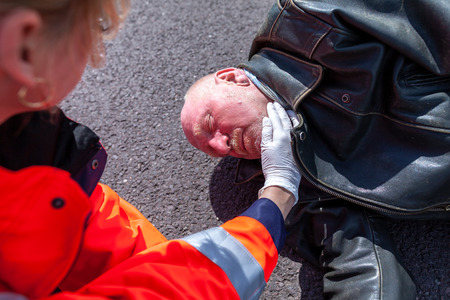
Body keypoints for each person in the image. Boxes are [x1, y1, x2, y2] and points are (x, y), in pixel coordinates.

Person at [0, 1, 303, 299]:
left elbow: (98, 236)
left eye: (98, 29)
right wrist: (277, 196)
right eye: (91, 30)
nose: (95, 57)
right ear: (24, 46)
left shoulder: (36, 163)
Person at [180, 0, 450, 299]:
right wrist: (283, 188)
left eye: (210, 122)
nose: (221, 143)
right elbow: (359, 261)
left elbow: (433, 15)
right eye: (216, 151)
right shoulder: (291, 184)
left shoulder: (306, 18)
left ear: (232, 78)